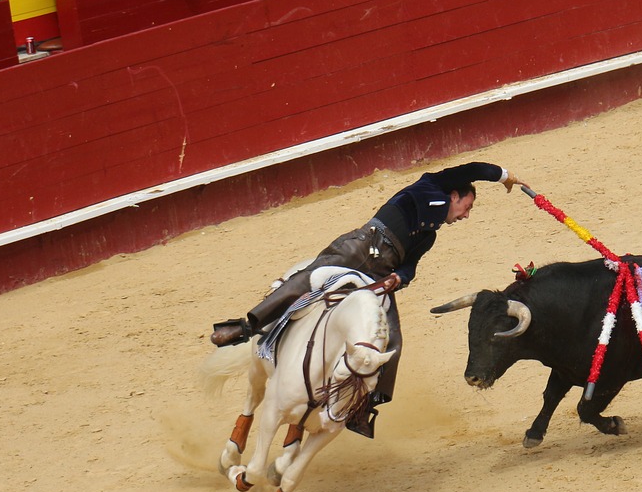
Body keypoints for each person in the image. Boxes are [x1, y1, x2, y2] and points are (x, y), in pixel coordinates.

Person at [210, 162, 526, 431]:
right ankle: (246, 326)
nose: (466, 216)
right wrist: (503, 175)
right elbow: (471, 169)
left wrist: (395, 278)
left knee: (393, 341)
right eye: (467, 207)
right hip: (360, 248)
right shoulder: (430, 185)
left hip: (378, 276)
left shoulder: (428, 236)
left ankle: (364, 406)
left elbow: (409, 268)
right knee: (307, 280)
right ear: (455, 194)